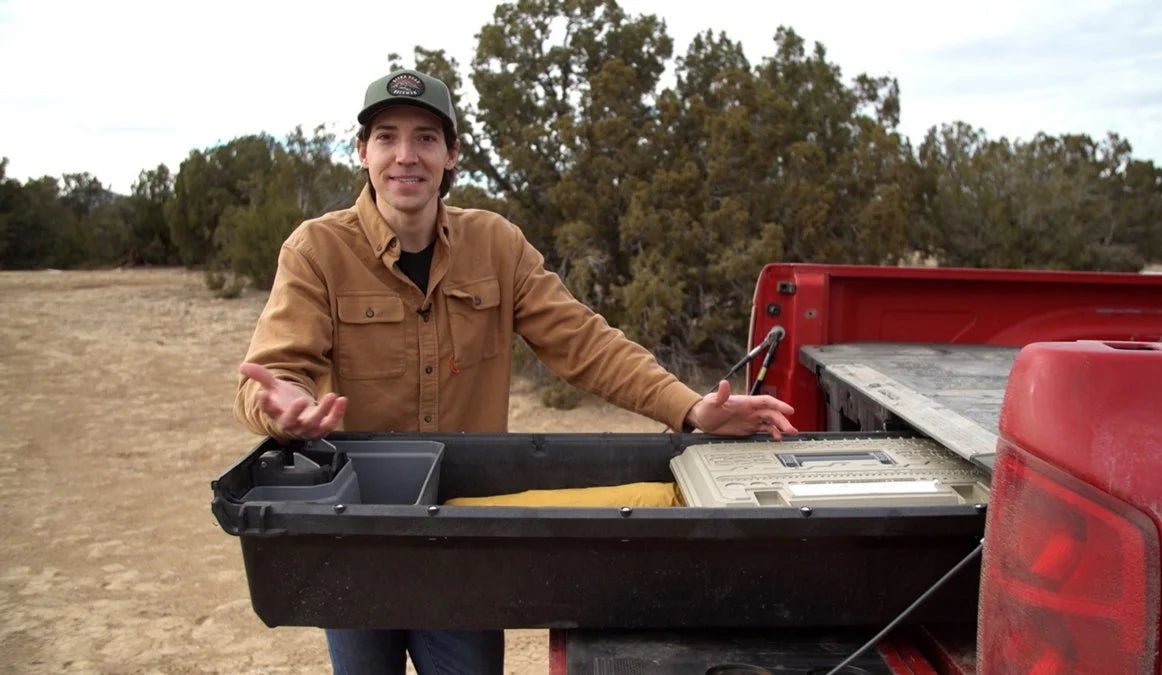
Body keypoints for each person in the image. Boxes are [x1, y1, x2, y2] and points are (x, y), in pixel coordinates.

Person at [234, 68, 798, 675]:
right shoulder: (316, 250)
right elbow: (274, 372)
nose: (406, 156)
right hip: (357, 531)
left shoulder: (496, 244)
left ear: (452, 153)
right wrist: (284, 409)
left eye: (426, 138)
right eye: (387, 137)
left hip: (465, 531)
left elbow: (583, 341)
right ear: (362, 151)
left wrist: (688, 407)